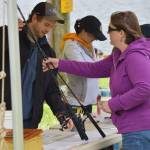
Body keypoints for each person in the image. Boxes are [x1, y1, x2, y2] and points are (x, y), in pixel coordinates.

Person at [43, 11, 150, 150]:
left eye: (111, 29)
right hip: (133, 129)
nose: (107, 32)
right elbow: (92, 69)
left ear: (122, 33)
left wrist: (113, 104)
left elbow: (144, 88)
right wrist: (59, 63)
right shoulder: (118, 55)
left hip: (139, 131)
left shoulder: (134, 56)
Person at [0, 2, 73, 129]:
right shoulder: (9, 36)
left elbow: (51, 89)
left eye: (51, 26)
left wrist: (61, 113)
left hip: (30, 122)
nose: (48, 30)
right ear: (34, 18)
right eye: (46, 24)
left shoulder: (48, 52)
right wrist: (5, 32)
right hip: (3, 119)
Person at [61, 15, 106, 114]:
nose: (95, 39)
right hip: (76, 102)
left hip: (88, 102)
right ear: (84, 31)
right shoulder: (71, 45)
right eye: (94, 35)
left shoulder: (88, 45)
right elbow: (84, 69)